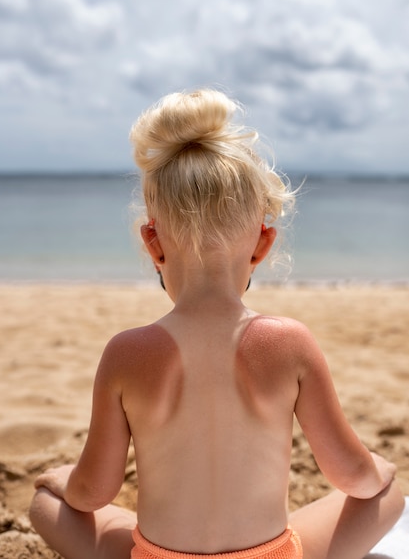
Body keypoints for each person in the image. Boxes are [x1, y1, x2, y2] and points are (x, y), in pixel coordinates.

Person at [30, 89, 404, 559]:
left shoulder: (126, 353)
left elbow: (92, 493)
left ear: (154, 244)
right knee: (388, 496)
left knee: (46, 503)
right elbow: (353, 477)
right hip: (268, 557)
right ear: (262, 244)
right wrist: (381, 468)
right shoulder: (290, 343)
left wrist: (62, 480)